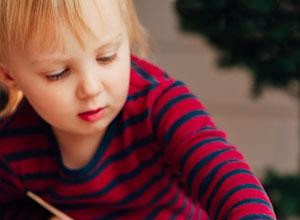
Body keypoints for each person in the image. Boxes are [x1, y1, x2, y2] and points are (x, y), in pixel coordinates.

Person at [0, 0, 277, 219]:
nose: (91, 88)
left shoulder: (160, 105)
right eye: (58, 73)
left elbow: (226, 176)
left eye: (106, 57)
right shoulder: (12, 145)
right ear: (10, 76)